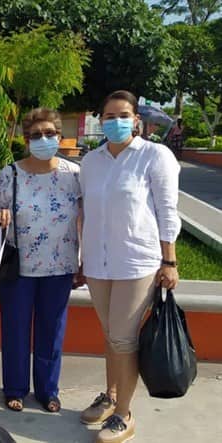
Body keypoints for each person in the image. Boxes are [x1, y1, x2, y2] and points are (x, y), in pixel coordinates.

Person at [79, 90, 180, 443]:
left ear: (136, 119)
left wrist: (170, 260)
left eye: (123, 115)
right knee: (111, 335)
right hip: (97, 263)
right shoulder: (91, 162)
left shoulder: (155, 156)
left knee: (122, 338)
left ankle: (124, 413)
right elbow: (85, 212)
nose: (116, 122)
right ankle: (109, 396)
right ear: (101, 121)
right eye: (109, 116)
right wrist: (81, 256)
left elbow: (168, 211)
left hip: (137, 261)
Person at [0, 108, 82, 413]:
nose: (43, 140)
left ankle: (48, 390)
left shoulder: (74, 175)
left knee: (51, 330)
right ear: (26, 140)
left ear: (59, 136)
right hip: (19, 266)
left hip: (61, 265)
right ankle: (14, 388)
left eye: (49, 134)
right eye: (36, 135)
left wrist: (84, 261)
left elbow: (87, 217)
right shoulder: (10, 173)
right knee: (15, 329)